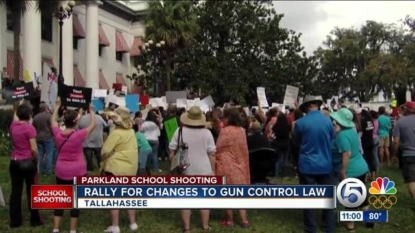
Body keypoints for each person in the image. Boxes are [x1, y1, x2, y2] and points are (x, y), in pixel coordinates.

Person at [51, 98, 96, 233]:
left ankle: (56, 229)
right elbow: (92, 125)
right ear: (76, 122)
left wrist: (57, 106)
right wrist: (91, 111)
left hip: (61, 171)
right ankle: (72, 230)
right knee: (76, 202)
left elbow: (52, 121)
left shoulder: (58, 133)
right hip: (78, 171)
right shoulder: (79, 135)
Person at [168, 106, 216, 232]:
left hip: (185, 171)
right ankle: (205, 226)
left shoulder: (179, 131)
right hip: (204, 170)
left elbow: (171, 152)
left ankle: (187, 228)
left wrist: (173, 166)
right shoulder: (207, 133)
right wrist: (213, 171)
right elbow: (212, 154)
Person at [294, 96, 334, 233]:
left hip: (307, 164)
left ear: (305, 107)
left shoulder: (300, 123)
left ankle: (311, 228)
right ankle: (328, 227)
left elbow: (296, 143)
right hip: (325, 163)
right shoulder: (328, 121)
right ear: (318, 106)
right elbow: (331, 140)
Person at [330, 108, 371, 231]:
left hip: (351, 170)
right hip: (361, 166)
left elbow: (346, 154)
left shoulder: (341, 136)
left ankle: (350, 224)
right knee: (361, 194)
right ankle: (368, 219)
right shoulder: (352, 131)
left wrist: (343, 172)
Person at [101, 106, 138, 233]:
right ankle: (133, 223)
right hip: (130, 168)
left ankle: (115, 226)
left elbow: (104, 151)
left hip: (115, 168)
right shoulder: (131, 132)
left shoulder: (116, 133)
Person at [9, 100, 43, 228]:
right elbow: (34, 148)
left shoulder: (13, 126)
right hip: (28, 162)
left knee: (15, 192)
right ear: (29, 115)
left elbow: (15, 116)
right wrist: (37, 159)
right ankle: (35, 220)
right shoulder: (30, 128)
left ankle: (15, 221)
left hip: (15, 162)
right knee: (32, 191)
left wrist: (18, 105)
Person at [216, 108, 250, 228]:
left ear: (228, 118)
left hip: (225, 164)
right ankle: (244, 220)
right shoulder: (242, 130)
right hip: (239, 164)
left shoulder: (225, 131)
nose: (222, 120)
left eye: (223, 117)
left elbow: (218, 147)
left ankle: (229, 220)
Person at [392, 101, 415, 202]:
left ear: (406, 109)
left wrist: (394, 155)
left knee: (411, 180)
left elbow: (396, 141)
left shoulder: (400, 122)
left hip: (408, 154)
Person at [32, 102, 54, 175]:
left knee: (40, 154)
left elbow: (33, 127)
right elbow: (52, 126)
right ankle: (48, 171)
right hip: (48, 137)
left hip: (38, 137)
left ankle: (40, 170)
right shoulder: (48, 116)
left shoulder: (35, 117)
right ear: (45, 108)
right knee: (49, 154)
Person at [272, 112, 291, 177]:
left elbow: (273, 132)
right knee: (285, 160)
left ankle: (277, 173)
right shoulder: (288, 126)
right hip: (286, 143)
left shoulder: (276, 126)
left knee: (278, 159)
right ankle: (284, 173)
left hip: (278, 143)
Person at [360, 109, 375, 180]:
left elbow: (361, 131)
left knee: (365, 158)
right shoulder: (371, 120)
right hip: (371, 140)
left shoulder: (363, 121)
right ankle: (373, 175)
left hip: (364, 141)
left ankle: (366, 175)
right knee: (371, 158)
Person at [370, 110, 379, 175]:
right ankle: (377, 169)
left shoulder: (371, 122)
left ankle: (373, 169)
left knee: (372, 155)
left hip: (372, 138)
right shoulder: (376, 121)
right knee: (375, 155)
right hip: (376, 137)